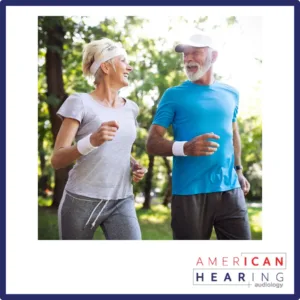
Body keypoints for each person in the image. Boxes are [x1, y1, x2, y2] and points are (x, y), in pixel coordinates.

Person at [146, 32, 251, 240]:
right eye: (185, 54)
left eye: (195, 52)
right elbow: (151, 143)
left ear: (214, 56)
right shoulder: (173, 95)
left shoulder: (231, 93)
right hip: (189, 192)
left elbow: (233, 133)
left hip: (230, 188)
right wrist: (184, 148)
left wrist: (238, 170)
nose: (188, 59)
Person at [51, 38, 147, 240]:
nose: (129, 67)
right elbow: (57, 159)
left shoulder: (131, 108)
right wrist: (92, 140)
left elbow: (117, 148)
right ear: (106, 66)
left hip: (122, 199)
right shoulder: (80, 102)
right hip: (81, 200)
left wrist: (134, 165)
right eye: (123, 61)